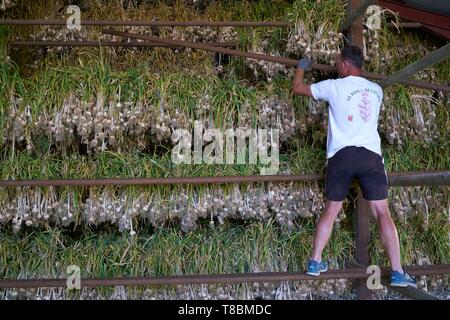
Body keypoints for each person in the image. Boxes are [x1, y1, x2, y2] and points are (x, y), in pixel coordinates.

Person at [292, 45, 416, 288]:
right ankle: (399, 271)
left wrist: (300, 68)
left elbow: (297, 89)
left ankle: (315, 262)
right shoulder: (377, 90)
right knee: (382, 213)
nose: (337, 66)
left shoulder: (333, 86)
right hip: (370, 156)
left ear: (346, 64)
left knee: (331, 210)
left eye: (339, 63)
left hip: (342, 156)